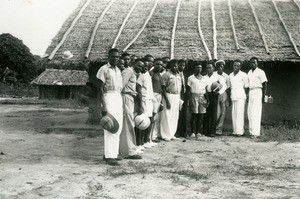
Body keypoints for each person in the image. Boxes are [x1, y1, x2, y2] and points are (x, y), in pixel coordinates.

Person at [97, 48, 123, 166]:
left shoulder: (118, 70)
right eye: (113, 56)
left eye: (117, 57)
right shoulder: (104, 69)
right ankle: (109, 156)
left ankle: (112, 153)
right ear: (108, 57)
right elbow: (100, 89)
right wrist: (103, 106)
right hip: (108, 97)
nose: (115, 59)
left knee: (118, 126)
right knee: (110, 125)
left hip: (117, 97)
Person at [119, 53, 142, 159]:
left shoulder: (132, 72)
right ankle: (129, 152)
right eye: (138, 65)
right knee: (128, 124)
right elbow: (120, 86)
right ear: (133, 63)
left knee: (128, 124)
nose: (140, 68)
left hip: (130, 98)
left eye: (142, 66)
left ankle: (127, 150)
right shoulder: (128, 71)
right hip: (126, 98)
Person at [203, 61, 227, 137]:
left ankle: (212, 131)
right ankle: (205, 131)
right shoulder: (204, 77)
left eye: (210, 67)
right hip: (206, 95)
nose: (208, 69)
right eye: (207, 68)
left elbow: (224, 86)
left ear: (213, 68)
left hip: (214, 95)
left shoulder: (217, 77)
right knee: (206, 113)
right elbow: (202, 86)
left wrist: (219, 93)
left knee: (213, 114)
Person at [160, 59, 182, 141]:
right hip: (169, 95)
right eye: (174, 66)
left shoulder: (178, 75)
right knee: (167, 114)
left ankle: (172, 133)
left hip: (176, 96)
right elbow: (163, 88)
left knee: (174, 115)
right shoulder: (166, 75)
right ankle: (165, 134)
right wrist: (167, 100)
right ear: (170, 67)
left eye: (176, 66)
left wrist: (179, 99)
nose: (175, 68)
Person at [187, 62, 209, 139]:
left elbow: (205, 90)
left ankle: (198, 132)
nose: (199, 69)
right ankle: (192, 132)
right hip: (194, 96)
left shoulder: (203, 78)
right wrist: (188, 100)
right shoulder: (190, 78)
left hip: (202, 97)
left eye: (200, 67)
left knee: (201, 115)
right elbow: (188, 90)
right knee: (194, 115)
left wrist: (207, 99)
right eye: (197, 67)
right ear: (194, 68)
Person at [247, 57, 268, 138]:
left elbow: (265, 84)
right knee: (250, 112)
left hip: (258, 91)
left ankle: (255, 133)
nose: (253, 64)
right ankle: (251, 131)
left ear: (257, 63)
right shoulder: (249, 72)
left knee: (256, 112)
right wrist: (248, 95)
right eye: (251, 62)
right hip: (251, 91)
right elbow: (248, 85)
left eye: (254, 62)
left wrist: (263, 96)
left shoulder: (260, 72)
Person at [228, 59, 249, 136]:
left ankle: (240, 131)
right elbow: (229, 87)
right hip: (233, 95)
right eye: (234, 65)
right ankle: (235, 131)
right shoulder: (230, 75)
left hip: (240, 96)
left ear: (240, 67)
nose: (236, 67)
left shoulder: (244, 75)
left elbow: (247, 86)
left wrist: (246, 95)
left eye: (238, 66)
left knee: (239, 113)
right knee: (234, 113)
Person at [214, 60, 230, 135]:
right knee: (216, 112)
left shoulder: (226, 76)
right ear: (216, 67)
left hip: (223, 94)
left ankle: (218, 130)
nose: (220, 67)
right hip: (215, 94)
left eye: (222, 66)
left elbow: (228, 88)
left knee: (222, 112)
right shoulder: (213, 75)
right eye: (219, 66)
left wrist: (228, 99)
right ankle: (213, 128)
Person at [150, 58, 164, 142]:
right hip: (153, 95)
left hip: (159, 95)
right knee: (153, 117)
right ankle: (150, 137)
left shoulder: (160, 75)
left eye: (161, 65)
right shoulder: (151, 74)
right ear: (154, 65)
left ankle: (154, 136)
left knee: (157, 118)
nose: (159, 66)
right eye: (157, 64)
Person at [176, 59, 188, 138]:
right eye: (180, 65)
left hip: (184, 95)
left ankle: (183, 132)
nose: (182, 67)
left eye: (183, 65)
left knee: (184, 114)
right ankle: (176, 131)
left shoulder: (185, 75)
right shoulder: (175, 74)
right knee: (177, 114)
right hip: (177, 95)